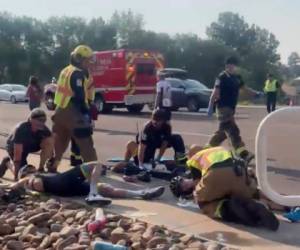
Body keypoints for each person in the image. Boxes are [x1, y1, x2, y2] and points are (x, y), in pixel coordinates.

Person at [169, 145, 280, 231]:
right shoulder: (216, 150)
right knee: (251, 191)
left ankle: (230, 209)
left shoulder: (193, 160)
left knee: (204, 204)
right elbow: (248, 172)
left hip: (217, 174)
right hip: (239, 173)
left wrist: (194, 194)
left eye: (183, 182)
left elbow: (200, 183)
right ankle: (278, 203)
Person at [7, 162, 165, 204]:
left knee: (106, 188)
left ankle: (141, 193)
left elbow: (14, 187)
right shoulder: (30, 178)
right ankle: (93, 193)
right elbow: (18, 182)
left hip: (66, 190)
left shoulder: (32, 184)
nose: (32, 168)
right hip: (63, 181)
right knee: (96, 164)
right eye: (30, 168)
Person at [51, 45, 97, 172]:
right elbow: (79, 95)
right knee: (86, 141)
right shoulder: (78, 73)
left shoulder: (66, 70)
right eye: (87, 60)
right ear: (79, 59)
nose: (89, 63)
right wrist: (86, 111)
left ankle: (54, 165)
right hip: (73, 111)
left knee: (60, 140)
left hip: (60, 110)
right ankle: (94, 169)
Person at [207, 56, 260, 162]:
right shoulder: (221, 77)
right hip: (222, 107)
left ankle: (207, 151)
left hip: (231, 109)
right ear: (226, 66)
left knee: (222, 133)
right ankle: (243, 154)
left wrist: (256, 93)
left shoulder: (237, 78)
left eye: (233, 65)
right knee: (233, 130)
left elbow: (244, 89)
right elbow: (216, 92)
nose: (231, 67)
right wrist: (210, 105)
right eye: (229, 65)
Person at [112, 109, 187, 182]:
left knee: (177, 138)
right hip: (148, 144)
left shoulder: (167, 126)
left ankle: (181, 164)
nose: (155, 122)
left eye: (158, 121)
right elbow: (142, 147)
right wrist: (141, 164)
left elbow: (164, 144)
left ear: (163, 121)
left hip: (159, 141)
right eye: (154, 120)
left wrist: (158, 158)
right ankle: (126, 162)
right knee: (134, 149)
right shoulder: (147, 128)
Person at [0, 108, 54, 180]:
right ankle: (7, 163)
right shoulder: (21, 129)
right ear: (31, 120)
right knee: (23, 175)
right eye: (39, 120)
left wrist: (51, 161)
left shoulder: (44, 130)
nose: (41, 123)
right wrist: (16, 176)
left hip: (29, 146)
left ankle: (41, 168)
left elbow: (50, 148)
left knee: (49, 140)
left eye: (43, 120)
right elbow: (17, 155)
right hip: (13, 147)